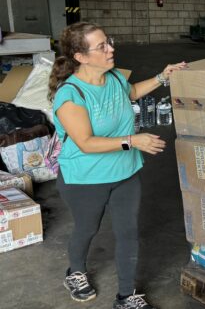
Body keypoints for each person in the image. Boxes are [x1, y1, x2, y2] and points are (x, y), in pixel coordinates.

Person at [49, 22, 188, 309]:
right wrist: (132, 141)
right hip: (85, 178)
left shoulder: (112, 77)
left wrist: (163, 76)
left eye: (108, 42)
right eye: (102, 46)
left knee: (128, 233)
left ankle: (126, 296)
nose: (111, 48)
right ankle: (75, 271)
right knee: (86, 229)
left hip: (124, 173)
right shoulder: (71, 94)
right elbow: (86, 142)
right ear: (81, 56)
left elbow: (132, 91)